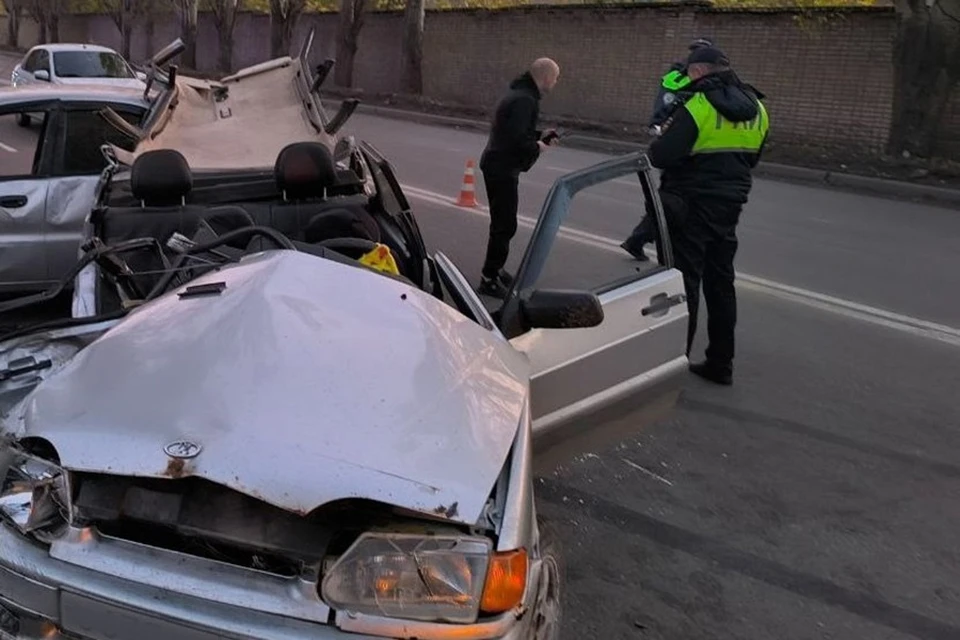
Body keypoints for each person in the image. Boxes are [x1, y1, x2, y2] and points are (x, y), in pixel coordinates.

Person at [646, 45, 769, 386]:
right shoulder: (758, 107)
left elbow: (660, 155)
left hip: (691, 204)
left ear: (699, 71)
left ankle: (673, 364)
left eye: (689, 73)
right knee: (721, 283)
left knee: (686, 284)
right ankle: (720, 363)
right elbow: (752, 158)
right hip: (730, 205)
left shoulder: (697, 105)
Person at [621, 37, 714, 262]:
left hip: (676, 139)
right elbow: (673, 107)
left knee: (674, 200)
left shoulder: (675, 76)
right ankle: (649, 243)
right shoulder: (691, 79)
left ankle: (641, 240)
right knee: (674, 201)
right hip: (680, 141)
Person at [477, 57, 561, 298]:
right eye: (555, 77)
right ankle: (489, 278)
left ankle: (496, 269)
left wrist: (539, 134)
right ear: (545, 77)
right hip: (501, 167)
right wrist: (538, 147)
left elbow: (513, 130)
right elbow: (516, 141)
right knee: (504, 225)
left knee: (504, 223)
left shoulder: (520, 93)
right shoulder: (525, 99)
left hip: (498, 164)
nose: (556, 82)